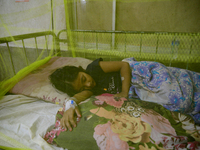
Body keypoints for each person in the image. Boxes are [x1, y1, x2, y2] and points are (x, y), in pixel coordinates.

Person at [50, 58, 131, 131]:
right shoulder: (91, 90)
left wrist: (124, 91)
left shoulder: (94, 69)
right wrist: (70, 105)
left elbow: (124, 65)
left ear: (80, 70)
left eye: (84, 79)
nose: (88, 85)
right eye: (82, 88)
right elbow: (75, 98)